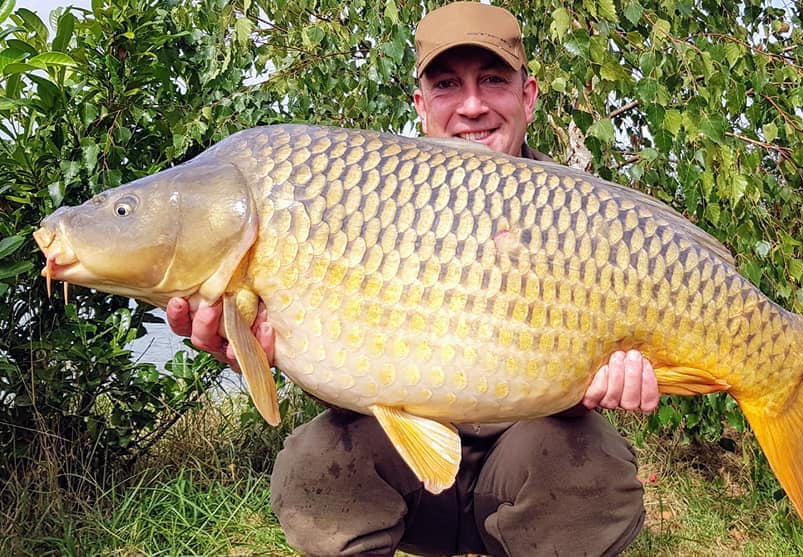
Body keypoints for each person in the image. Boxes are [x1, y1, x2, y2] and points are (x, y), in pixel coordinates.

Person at [167, 3, 660, 555]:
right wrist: (256, 346)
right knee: (315, 464)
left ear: (528, 96)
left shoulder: (579, 217)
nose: (471, 105)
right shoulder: (366, 196)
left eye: (492, 80)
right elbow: (345, 366)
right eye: (447, 84)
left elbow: (564, 390)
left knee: (591, 469)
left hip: (523, 462)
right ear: (421, 105)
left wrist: (595, 388)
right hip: (406, 469)